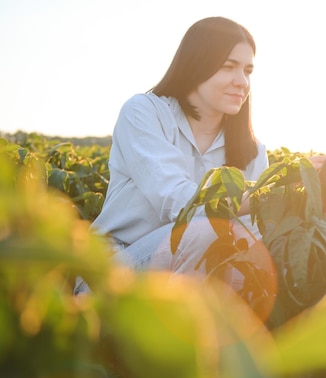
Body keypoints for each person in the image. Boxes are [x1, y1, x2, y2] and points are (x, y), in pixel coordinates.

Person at [75, 16, 269, 294]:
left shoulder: (252, 150)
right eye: (229, 67)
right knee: (203, 230)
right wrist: (266, 197)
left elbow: (251, 237)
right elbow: (177, 201)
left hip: (199, 268)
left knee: (263, 275)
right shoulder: (144, 112)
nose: (242, 82)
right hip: (112, 267)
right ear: (197, 64)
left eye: (248, 71)